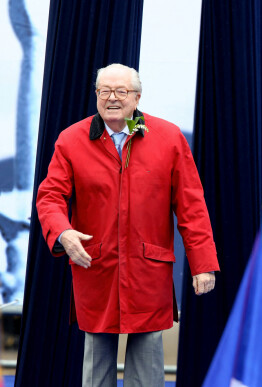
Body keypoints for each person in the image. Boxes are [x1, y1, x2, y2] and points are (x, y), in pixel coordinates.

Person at [36, 63, 220, 386]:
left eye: (121, 91)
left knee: (147, 365)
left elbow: (191, 205)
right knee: (96, 365)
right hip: (97, 268)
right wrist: (63, 233)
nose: (112, 98)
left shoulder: (168, 138)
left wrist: (202, 263)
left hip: (148, 271)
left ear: (137, 97)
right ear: (95, 95)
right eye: (104, 91)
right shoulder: (71, 140)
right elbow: (49, 197)